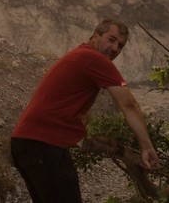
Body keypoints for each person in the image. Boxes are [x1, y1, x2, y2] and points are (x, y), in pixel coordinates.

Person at [10, 18, 159, 203]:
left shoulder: (80, 55)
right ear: (95, 36)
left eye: (120, 45)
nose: (115, 48)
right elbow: (129, 105)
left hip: (27, 143)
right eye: (111, 39)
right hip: (44, 145)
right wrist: (147, 147)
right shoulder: (94, 58)